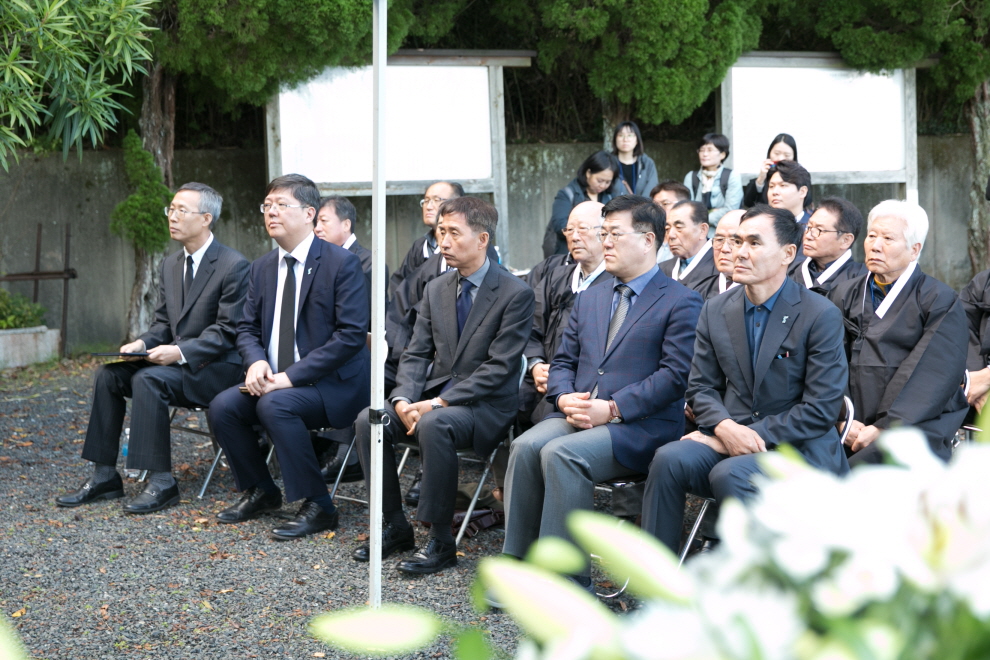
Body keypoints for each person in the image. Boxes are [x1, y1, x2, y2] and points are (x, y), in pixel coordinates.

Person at [503, 195, 702, 589]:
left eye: (613, 234)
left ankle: (568, 583)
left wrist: (612, 408)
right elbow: (562, 361)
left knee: (562, 454)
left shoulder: (682, 300)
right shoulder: (591, 296)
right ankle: (515, 567)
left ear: (648, 240)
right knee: (525, 447)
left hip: (640, 426)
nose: (604, 242)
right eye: (603, 233)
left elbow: (675, 376)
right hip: (579, 413)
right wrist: (562, 398)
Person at [642, 205, 850, 554]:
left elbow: (822, 408)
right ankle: (655, 583)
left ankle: (758, 589)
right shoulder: (717, 308)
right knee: (669, 459)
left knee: (731, 474)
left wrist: (743, 437)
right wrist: (724, 428)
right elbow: (701, 387)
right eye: (737, 241)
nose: (738, 252)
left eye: (754, 243)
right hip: (730, 436)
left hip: (800, 451)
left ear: (788, 254)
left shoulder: (820, 314)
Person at [352, 196, 534, 575]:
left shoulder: (515, 293)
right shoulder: (436, 288)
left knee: (435, 424)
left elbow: (500, 368)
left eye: (454, 233)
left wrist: (438, 403)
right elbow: (416, 354)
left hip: (485, 408)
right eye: (440, 232)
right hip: (433, 399)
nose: (444, 242)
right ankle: (394, 525)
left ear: (482, 239)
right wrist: (402, 398)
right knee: (371, 419)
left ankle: (440, 541)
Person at [56, 182, 250, 513]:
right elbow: (163, 324)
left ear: (206, 219)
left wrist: (178, 352)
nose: (172, 217)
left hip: (219, 369)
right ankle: (104, 476)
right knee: (109, 375)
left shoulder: (234, 265)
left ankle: (162, 482)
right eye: (170, 209)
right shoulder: (171, 264)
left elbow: (228, 332)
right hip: (179, 364)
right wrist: (141, 343)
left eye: (181, 211)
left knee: (148, 380)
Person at [207, 174, 370, 539]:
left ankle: (320, 506)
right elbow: (246, 328)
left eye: (282, 205)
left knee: (275, 406)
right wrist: (256, 362)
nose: (272, 212)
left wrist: (289, 378)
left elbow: (349, 337)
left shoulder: (341, 263)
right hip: (277, 380)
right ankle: (262, 490)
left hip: (333, 385)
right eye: (267, 205)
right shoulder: (263, 267)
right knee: (223, 407)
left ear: (310, 213)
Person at [828, 200, 969, 464]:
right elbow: (826, 360)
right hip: (846, 423)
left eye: (888, 238)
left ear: (914, 249)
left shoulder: (938, 299)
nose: (875, 245)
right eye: (872, 236)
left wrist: (886, 427)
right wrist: (841, 418)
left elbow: (932, 372)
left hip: (913, 426)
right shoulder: (843, 293)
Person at [313, 194, 385, 484]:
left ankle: (346, 452)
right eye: (315, 221)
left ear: (346, 224)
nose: (317, 228)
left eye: (323, 221)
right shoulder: (318, 259)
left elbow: (364, 321)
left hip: (361, 345)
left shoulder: (366, 262)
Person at [524, 201, 610, 425]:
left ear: (605, 233)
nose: (574, 236)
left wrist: (559, 379)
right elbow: (528, 325)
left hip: (582, 388)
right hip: (540, 378)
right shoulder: (556, 276)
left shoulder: (616, 283)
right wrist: (535, 365)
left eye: (582, 229)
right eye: (569, 229)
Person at [389, 181, 464, 297]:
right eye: (426, 201)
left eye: (437, 200)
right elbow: (400, 285)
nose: (428, 207)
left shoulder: (469, 243)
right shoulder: (420, 246)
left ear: (456, 204)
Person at [544, 151, 620, 257]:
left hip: (601, 256)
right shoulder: (567, 194)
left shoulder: (611, 196)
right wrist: (586, 230)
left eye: (608, 182)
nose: (603, 185)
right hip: (569, 255)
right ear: (588, 173)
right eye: (600, 180)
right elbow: (560, 225)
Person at [790, 196, 867, 294]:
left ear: (845, 240)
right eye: (808, 227)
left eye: (819, 230)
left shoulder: (862, 280)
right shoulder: (791, 271)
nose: (808, 236)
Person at [659, 200, 719, 299]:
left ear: (702, 230)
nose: (671, 235)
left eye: (679, 227)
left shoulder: (720, 268)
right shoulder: (662, 269)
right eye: (667, 228)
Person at [683, 133, 742, 232]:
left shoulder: (731, 176)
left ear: (722, 154)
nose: (704, 154)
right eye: (701, 150)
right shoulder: (691, 176)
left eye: (710, 150)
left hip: (725, 233)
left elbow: (731, 209)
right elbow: (688, 208)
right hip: (697, 234)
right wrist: (713, 212)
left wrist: (700, 218)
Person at [960, 268, 990, 413]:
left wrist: (987, 378)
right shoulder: (983, 282)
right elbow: (961, 327)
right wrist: (975, 379)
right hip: (976, 379)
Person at [742, 134, 798, 207]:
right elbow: (748, 202)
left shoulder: (800, 177)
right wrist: (761, 179)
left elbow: (806, 201)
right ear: (769, 153)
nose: (781, 158)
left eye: (787, 155)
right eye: (777, 153)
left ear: (793, 157)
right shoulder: (761, 179)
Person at [611, 121, 659, 196]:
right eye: (621, 135)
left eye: (630, 135)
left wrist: (641, 207)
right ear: (615, 140)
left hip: (642, 207)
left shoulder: (647, 163)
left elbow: (652, 189)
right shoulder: (608, 162)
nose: (625, 139)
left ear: (637, 140)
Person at [650, 180, 691, 264]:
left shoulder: (692, 241)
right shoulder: (649, 237)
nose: (658, 209)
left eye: (665, 203)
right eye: (655, 205)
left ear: (683, 205)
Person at [711, 209, 744, 297]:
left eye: (734, 241)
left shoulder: (761, 295)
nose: (724, 249)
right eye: (719, 240)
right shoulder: (698, 289)